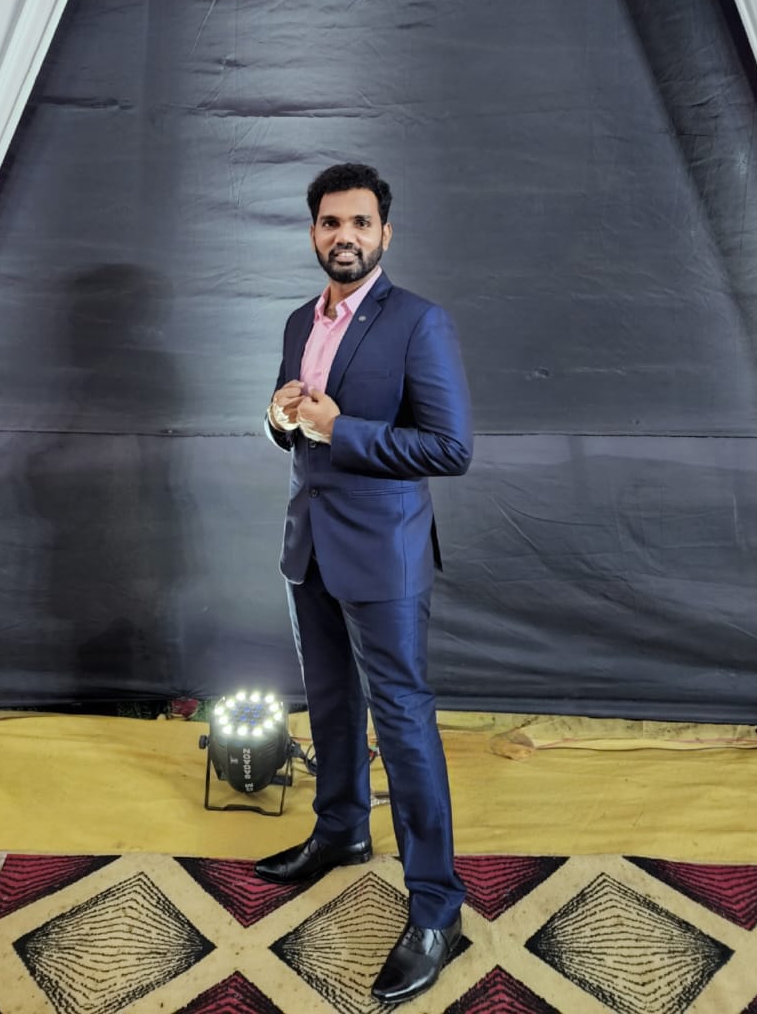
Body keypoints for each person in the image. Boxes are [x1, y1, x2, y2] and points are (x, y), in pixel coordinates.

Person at [256, 162, 473, 1006]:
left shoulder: (419, 322)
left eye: (359, 222)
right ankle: (341, 832)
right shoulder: (296, 321)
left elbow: (449, 448)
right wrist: (279, 419)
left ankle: (437, 909)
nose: (343, 235)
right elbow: (296, 428)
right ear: (313, 232)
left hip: (385, 556)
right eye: (330, 222)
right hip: (310, 546)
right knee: (330, 704)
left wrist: (340, 429)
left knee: (403, 723)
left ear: (385, 233)